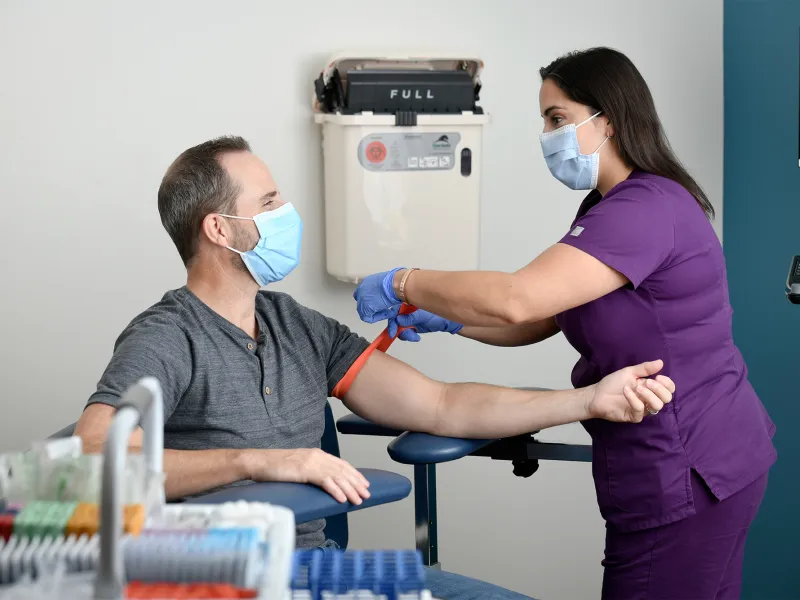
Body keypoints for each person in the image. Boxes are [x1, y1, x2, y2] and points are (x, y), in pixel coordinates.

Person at [73, 135, 674, 600]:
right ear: (220, 229)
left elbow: (441, 405)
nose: (287, 211)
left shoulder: (294, 325)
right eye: (269, 201)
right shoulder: (167, 336)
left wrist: (588, 400)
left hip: (317, 573)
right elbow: (95, 453)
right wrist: (262, 461)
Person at [352, 47, 777, 600]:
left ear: (610, 120)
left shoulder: (643, 209)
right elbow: (547, 316)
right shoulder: (608, 208)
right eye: (544, 121)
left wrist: (406, 281)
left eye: (558, 119)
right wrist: (449, 320)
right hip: (702, 453)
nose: (546, 135)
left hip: (687, 463)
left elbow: (515, 299)